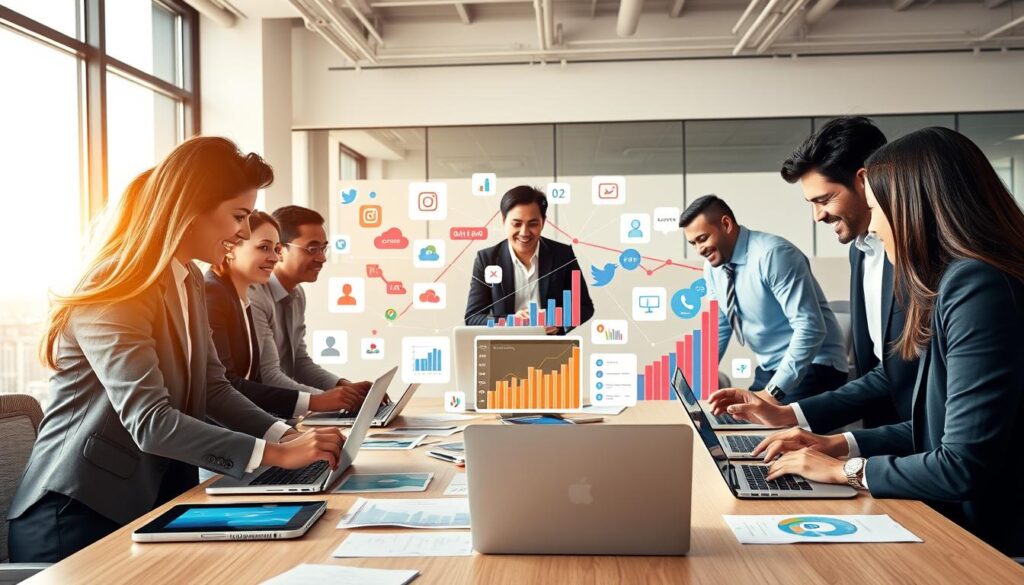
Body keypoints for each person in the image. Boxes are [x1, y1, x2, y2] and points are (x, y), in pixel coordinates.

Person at [8, 138, 345, 562]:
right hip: (78, 516)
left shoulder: (187, 279)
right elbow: (150, 421)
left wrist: (288, 434)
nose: (242, 231)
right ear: (189, 209)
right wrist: (276, 454)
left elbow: (214, 389)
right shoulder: (118, 285)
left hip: (151, 502)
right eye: (237, 216)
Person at [755, 127, 1024, 558]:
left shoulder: (976, 285)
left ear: (915, 209)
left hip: (989, 541)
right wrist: (836, 445)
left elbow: (961, 465)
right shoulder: (960, 282)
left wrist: (847, 471)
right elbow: (936, 429)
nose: (874, 226)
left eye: (878, 208)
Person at [708, 116, 919, 431]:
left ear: (865, 182)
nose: (818, 215)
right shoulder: (859, 253)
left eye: (824, 200)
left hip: (926, 439)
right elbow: (882, 371)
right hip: (890, 434)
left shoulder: (916, 255)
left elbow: (917, 374)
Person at [680, 195, 848, 404]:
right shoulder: (713, 268)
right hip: (769, 368)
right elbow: (720, 325)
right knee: (733, 422)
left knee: (766, 430)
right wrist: (697, 379)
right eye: (693, 243)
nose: (699, 249)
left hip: (815, 366)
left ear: (726, 224)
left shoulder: (773, 254)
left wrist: (773, 392)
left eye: (703, 238)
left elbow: (810, 327)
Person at [204, 210, 371, 419]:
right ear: (231, 246)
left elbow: (292, 364)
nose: (275, 257)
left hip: (259, 418)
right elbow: (237, 384)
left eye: (276, 249)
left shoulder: (244, 296)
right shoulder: (225, 294)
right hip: (238, 424)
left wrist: (343, 390)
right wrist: (321, 403)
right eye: (264, 247)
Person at [249, 206, 373, 395]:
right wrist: (328, 399)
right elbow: (267, 375)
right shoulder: (254, 295)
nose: (322, 258)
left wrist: (344, 386)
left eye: (324, 248)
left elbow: (299, 362)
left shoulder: (297, 294)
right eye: (312, 249)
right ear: (280, 250)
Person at [465, 185, 594, 333]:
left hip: (551, 349)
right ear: (504, 221)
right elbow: (473, 317)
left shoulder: (563, 255)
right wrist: (510, 322)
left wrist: (558, 321)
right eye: (516, 224)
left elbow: (584, 307)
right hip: (505, 348)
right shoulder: (486, 259)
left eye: (533, 224)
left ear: (543, 222)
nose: (524, 232)